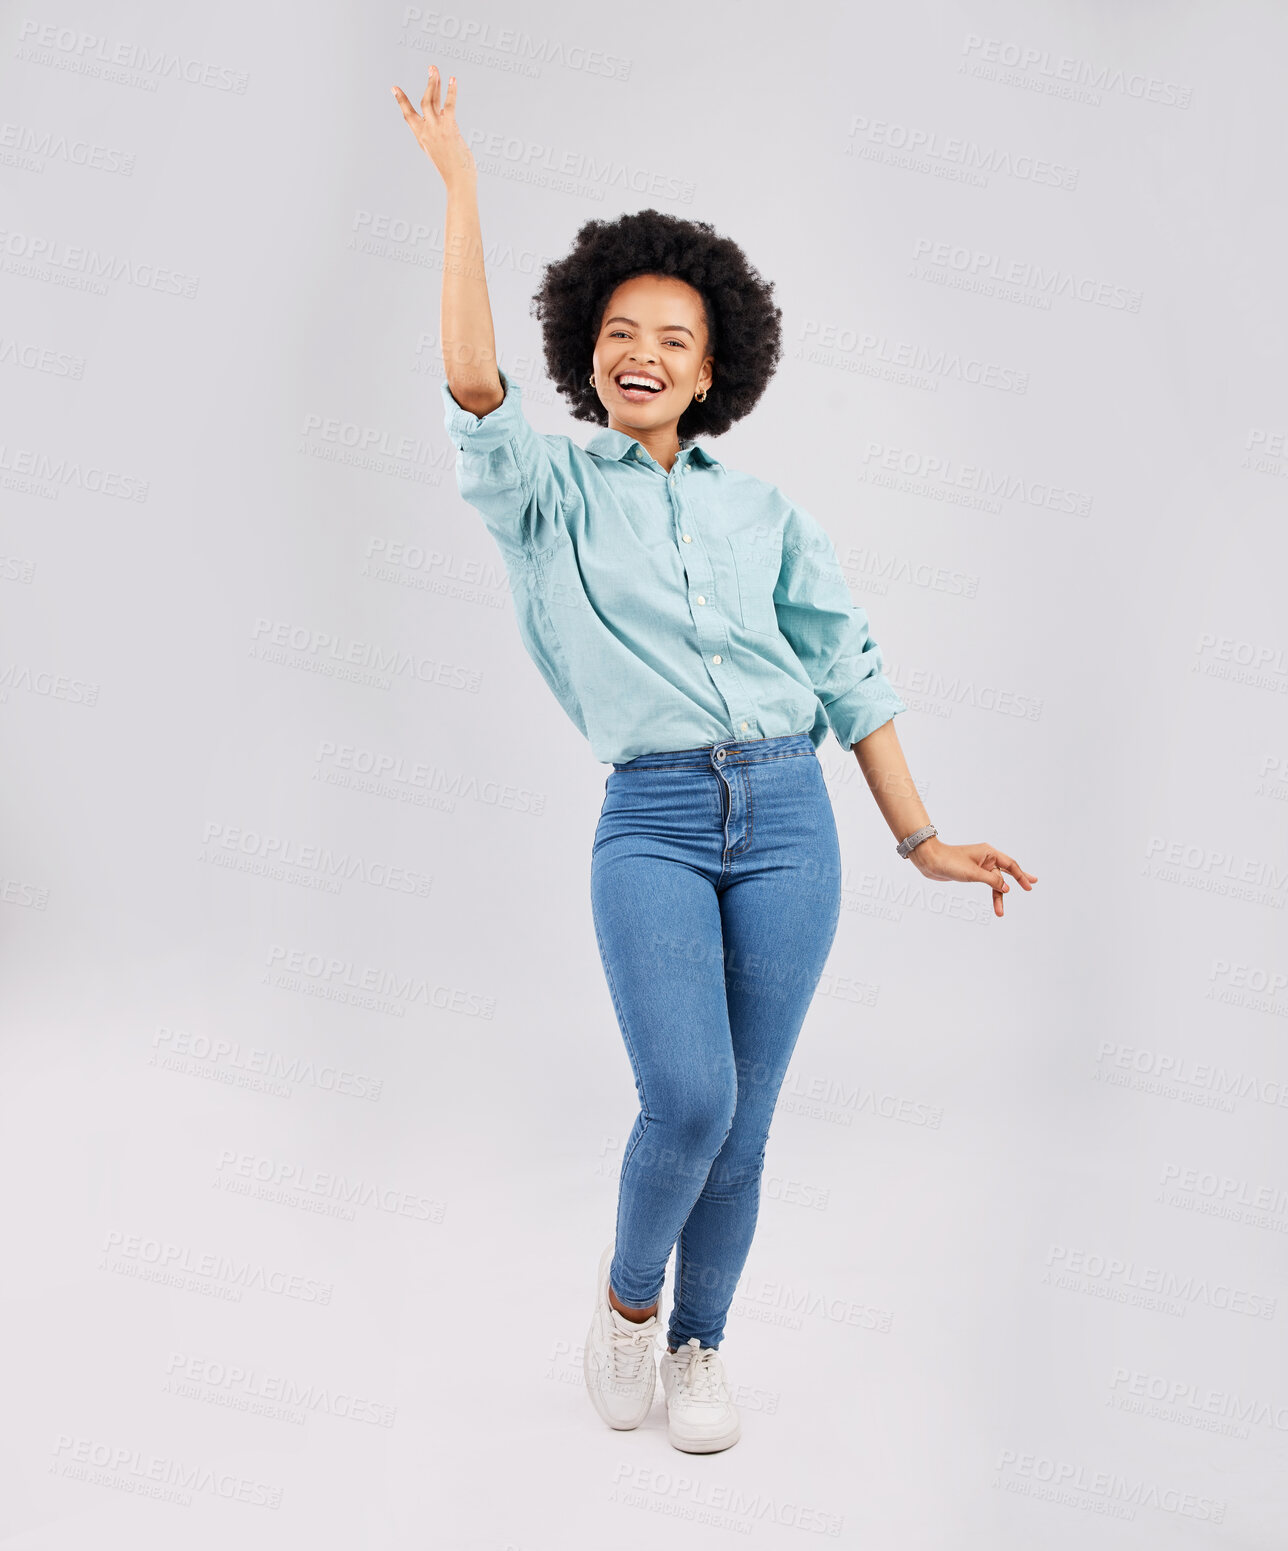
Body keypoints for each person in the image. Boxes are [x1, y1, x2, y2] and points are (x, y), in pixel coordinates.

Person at [394, 66, 1038, 1454]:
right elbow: (467, 385)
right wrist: (463, 192)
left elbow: (851, 672)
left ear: (713, 365)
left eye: (675, 339)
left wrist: (920, 838)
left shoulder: (767, 514)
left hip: (795, 815)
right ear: (586, 348)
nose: (645, 353)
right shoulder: (545, 494)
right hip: (657, 820)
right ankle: (630, 1310)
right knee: (687, 1095)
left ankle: (701, 1348)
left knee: (745, 1126)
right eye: (621, 332)